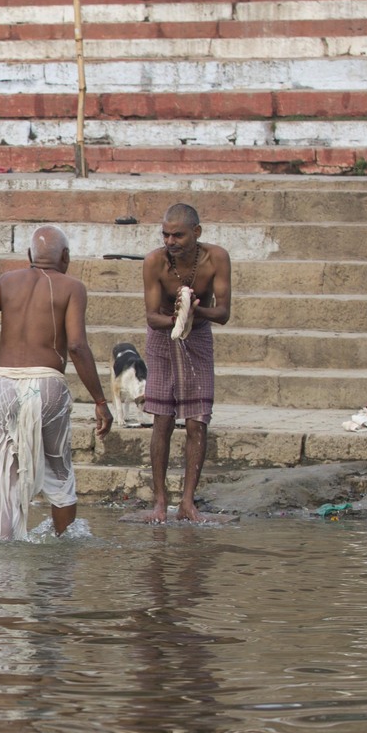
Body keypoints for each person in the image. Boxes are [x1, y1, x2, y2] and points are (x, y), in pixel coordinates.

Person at [0, 224, 114, 540]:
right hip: (48, 384)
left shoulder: (7, 282)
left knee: (7, 476)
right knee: (59, 473)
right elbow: (76, 346)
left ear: (30, 255)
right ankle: (62, 555)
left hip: (5, 384)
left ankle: (4, 566)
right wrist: (100, 401)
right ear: (65, 256)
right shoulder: (72, 287)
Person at [142, 202, 233, 523]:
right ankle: (159, 503)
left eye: (178, 235)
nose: (170, 242)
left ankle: (188, 503)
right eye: (165, 235)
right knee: (162, 421)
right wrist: (177, 316)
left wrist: (193, 312)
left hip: (199, 336)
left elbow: (223, 312)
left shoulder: (216, 258)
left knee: (197, 422)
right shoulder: (154, 261)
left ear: (196, 233)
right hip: (162, 341)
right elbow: (153, 317)